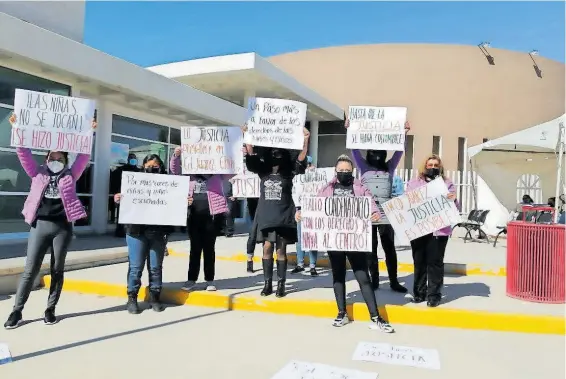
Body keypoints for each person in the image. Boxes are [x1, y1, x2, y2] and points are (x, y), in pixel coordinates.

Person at [4, 114, 95, 329]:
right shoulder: (37, 173)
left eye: (60, 158)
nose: (56, 161)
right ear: (46, 159)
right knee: (30, 270)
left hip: (62, 227)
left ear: (65, 160)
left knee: (57, 269)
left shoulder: (71, 175)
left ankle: (50, 309)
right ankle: (17, 311)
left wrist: (88, 132)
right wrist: (17, 127)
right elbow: (23, 153)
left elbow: (83, 156)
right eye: (52, 158)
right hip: (40, 226)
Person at [297, 154, 394, 332]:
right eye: (340, 170)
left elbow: (372, 205)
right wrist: (302, 213)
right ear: (335, 171)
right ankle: (342, 313)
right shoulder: (327, 188)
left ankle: (376, 316)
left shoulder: (360, 187)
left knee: (363, 276)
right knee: (338, 276)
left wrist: (375, 214)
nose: (343, 173)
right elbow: (315, 207)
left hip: (354, 240)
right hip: (334, 240)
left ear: (352, 172)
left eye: (347, 171)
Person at [346, 119, 411, 293]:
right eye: (373, 151)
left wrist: (403, 133)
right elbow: (354, 151)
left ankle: (394, 281)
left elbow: (398, 152)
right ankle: (374, 280)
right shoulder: (363, 167)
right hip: (368, 214)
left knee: (389, 249)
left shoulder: (389, 167)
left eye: (379, 152)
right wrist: (350, 130)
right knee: (371, 250)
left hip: (387, 215)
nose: (376, 154)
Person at [244, 128, 309, 297]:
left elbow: (301, 159)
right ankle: (267, 284)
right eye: (273, 153)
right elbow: (251, 158)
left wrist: (306, 139)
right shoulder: (263, 171)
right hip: (266, 215)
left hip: (284, 215)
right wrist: (248, 137)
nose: (276, 156)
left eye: (279, 153)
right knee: (266, 248)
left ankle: (281, 284)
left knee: (281, 250)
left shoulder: (288, 173)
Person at [113, 154, 175, 314]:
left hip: (158, 232)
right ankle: (132, 298)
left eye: (156, 166)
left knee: (155, 268)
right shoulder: (134, 180)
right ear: (143, 165)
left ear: (160, 167)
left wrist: (184, 201)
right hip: (136, 231)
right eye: (149, 166)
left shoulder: (168, 183)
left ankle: (155, 296)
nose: (152, 169)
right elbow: (124, 197)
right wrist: (119, 198)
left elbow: (174, 202)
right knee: (135, 267)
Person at [169, 147, 229, 292]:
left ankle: (209, 280)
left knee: (209, 248)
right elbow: (174, 170)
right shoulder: (190, 175)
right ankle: (191, 280)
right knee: (195, 248)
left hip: (212, 216)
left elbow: (233, 170)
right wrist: (176, 155)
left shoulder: (217, 174)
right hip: (194, 215)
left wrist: (236, 152)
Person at [406, 154, 459, 308]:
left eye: (436, 165)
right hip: (419, 230)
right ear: (424, 166)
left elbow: (455, 208)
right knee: (419, 263)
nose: (433, 168)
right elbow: (407, 203)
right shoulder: (414, 183)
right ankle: (419, 293)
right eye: (430, 165)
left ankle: (434, 295)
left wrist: (453, 199)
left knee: (435, 264)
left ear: (440, 167)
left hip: (439, 231)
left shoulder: (447, 183)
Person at [292, 156, 319, 276]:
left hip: (314, 209)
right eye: (304, 164)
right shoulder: (297, 178)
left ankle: (312, 265)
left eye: (308, 164)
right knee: (300, 238)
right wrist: (297, 209)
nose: (306, 166)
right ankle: (300, 264)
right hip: (302, 209)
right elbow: (295, 194)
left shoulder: (316, 175)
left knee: (312, 238)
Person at [109, 153, 139, 237]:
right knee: (121, 215)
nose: (133, 160)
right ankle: (120, 232)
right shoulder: (121, 169)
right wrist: (116, 191)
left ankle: (132, 230)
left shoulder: (138, 170)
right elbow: (114, 180)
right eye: (131, 158)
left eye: (134, 158)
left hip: (135, 197)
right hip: (123, 196)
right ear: (128, 160)